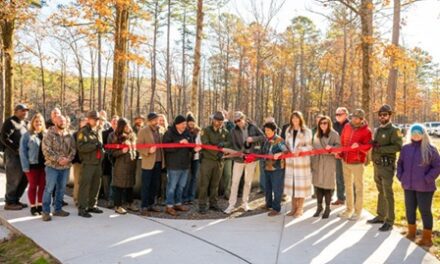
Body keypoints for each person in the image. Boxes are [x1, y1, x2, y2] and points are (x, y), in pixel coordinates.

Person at [397, 124, 440, 247]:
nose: (416, 135)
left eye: (419, 133)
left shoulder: (431, 149)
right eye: (414, 133)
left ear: (423, 134)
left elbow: (437, 167)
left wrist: (427, 179)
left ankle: (427, 238)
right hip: (408, 186)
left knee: (425, 211)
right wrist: (401, 177)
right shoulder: (406, 148)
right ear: (410, 134)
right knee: (409, 209)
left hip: (425, 187)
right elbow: (400, 164)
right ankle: (411, 233)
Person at [367, 105, 403, 231]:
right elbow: (376, 145)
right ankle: (381, 215)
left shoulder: (394, 130)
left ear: (389, 115)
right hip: (377, 165)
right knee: (380, 191)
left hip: (387, 165)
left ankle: (390, 220)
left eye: (385, 115)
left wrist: (381, 149)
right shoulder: (378, 130)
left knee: (388, 192)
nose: (382, 117)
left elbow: (398, 146)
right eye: (380, 115)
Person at [224, 111, 264, 214]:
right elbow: (232, 144)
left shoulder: (253, 127)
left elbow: (263, 137)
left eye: (239, 120)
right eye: (235, 121)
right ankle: (231, 205)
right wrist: (237, 152)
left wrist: (253, 139)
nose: (238, 122)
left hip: (251, 159)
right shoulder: (233, 131)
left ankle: (245, 203)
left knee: (248, 182)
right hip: (239, 159)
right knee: (235, 182)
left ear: (244, 118)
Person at [338, 109, 372, 221]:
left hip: (357, 162)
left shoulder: (367, 131)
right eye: (353, 117)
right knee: (347, 187)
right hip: (345, 160)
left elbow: (368, 146)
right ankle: (349, 210)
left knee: (358, 188)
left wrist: (359, 145)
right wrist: (341, 153)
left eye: (356, 118)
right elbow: (342, 140)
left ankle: (358, 212)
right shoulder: (347, 126)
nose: (353, 119)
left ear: (361, 119)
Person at [162, 115, 200, 216]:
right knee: (172, 187)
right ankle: (169, 205)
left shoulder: (187, 133)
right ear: (177, 124)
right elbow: (166, 148)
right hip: (173, 165)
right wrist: (179, 143)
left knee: (181, 186)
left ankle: (178, 203)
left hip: (185, 165)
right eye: (183, 124)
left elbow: (190, 147)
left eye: (185, 124)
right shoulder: (169, 133)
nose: (185, 125)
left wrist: (194, 149)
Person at [41, 115, 76, 221]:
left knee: (61, 189)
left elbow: (73, 150)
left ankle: (58, 209)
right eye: (60, 120)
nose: (62, 122)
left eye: (64, 121)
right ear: (55, 121)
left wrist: (67, 159)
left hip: (65, 167)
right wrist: (59, 159)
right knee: (49, 189)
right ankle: (46, 212)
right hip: (52, 166)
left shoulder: (69, 134)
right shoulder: (49, 134)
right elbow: (46, 150)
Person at [198, 111, 230, 214]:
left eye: (221, 121)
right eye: (217, 121)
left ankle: (213, 203)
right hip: (207, 161)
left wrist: (223, 144)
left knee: (215, 184)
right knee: (204, 184)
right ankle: (202, 205)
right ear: (213, 120)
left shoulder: (225, 132)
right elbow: (206, 144)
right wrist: (218, 152)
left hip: (219, 162)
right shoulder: (205, 130)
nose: (219, 123)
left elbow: (229, 142)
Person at [284, 111, 313, 217]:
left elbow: (310, 147)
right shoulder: (288, 130)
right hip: (291, 162)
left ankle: (300, 209)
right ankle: (293, 208)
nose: (295, 120)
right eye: (293, 118)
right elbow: (286, 144)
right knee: (293, 186)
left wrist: (301, 149)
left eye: (297, 118)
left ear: (301, 119)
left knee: (300, 187)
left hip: (301, 162)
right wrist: (285, 150)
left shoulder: (307, 131)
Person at [1, 103, 30, 210]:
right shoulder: (10, 122)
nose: (25, 112)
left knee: (24, 179)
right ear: (16, 111)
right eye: (23, 110)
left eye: (26, 111)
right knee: (14, 179)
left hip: (24, 156)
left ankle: (16, 200)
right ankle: (9, 202)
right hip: (13, 156)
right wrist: (16, 149)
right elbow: (4, 138)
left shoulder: (24, 123)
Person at [311, 116, 340, 219]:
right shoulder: (316, 134)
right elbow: (313, 148)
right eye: (321, 123)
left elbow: (339, 147)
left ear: (329, 123)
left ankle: (327, 208)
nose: (323, 125)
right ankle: (319, 207)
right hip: (318, 162)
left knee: (327, 187)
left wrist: (332, 148)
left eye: (325, 123)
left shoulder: (334, 134)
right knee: (318, 187)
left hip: (328, 162)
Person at [76, 110, 105, 218]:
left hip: (97, 162)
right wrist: (94, 146)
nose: (97, 121)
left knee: (96, 185)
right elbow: (80, 147)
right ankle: (82, 208)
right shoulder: (83, 132)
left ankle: (92, 205)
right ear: (89, 119)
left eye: (98, 119)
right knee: (85, 186)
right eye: (95, 119)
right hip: (88, 163)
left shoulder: (98, 131)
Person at [108, 118, 139, 214]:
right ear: (121, 127)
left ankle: (130, 203)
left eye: (128, 125)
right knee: (119, 186)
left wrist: (136, 155)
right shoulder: (114, 137)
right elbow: (111, 153)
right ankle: (118, 206)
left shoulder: (132, 136)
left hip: (131, 165)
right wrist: (122, 151)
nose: (128, 127)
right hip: (120, 166)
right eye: (125, 126)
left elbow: (135, 149)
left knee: (130, 185)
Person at [137, 112, 165, 216]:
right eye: (154, 120)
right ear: (149, 121)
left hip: (158, 162)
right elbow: (138, 146)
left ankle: (151, 205)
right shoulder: (143, 131)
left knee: (155, 185)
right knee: (146, 186)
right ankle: (144, 207)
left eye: (157, 120)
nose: (156, 122)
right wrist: (148, 150)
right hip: (148, 163)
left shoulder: (160, 130)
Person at [19, 113, 46, 215]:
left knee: (43, 186)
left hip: (44, 166)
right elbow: (22, 152)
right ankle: (33, 207)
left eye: (40, 122)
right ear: (32, 123)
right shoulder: (27, 135)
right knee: (33, 186)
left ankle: (40, 205)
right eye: (36, 121)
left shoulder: (46, 134)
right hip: (32, 165)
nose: (38, 123)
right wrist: (25, 167)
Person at [260, 122, 288, 216]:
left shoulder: (279, 140)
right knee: (267, 187)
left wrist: (279, 154)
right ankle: (268, 204)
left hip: (277, 168)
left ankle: (276, 208)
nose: (266, 132)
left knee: (277, 188)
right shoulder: (266, 140)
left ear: (274, 130)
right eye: (265, 130)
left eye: (268, 130)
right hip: (266, 167)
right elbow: (262, 152)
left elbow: (286, 152)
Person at [332, 107, 350, 205]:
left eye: (340, 114)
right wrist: (335, 152)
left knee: (348, 177)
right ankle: (340, 198)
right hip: (337, 155)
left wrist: (341, 153)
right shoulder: (334, 125)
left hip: (347, 155)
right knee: (339, 177)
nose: (337, 116)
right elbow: (332, 139)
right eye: (336, 114)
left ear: (346, 114)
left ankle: (350, 198)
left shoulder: (350, 125)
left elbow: (350, 141)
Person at [183, 113, 201, 205]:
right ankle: (185, 197)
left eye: (192, 122)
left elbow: (201, 143)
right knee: (187, 178)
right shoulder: (185, 131)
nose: (191, 124)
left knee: (194, 177)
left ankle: (191, 197)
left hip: (196, 158)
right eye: (189, 122)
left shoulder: (198, 131)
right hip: (187, 157)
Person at [101, 115, 118, 206]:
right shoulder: (105, 133)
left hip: (117, 159)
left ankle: (114, 197)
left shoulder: (121, 133)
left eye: (117, 122)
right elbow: (103, 145)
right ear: (111, 123)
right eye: (114, 122)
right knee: (107, 178)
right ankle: (107, 197)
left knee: (115, 179)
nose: (115, 123)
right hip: (107, 159)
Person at [71, 116, 88, 206]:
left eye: (86, 121)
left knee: (85, 181)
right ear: (80, 123)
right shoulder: (75, 134)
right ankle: (76, 199)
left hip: (87, 162)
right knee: (77, 181)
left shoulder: (89, 133)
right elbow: (73, 148)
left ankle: (84, 198)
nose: (85, 123)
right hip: (78, 161)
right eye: (83, 122)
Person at [157, 114, 169, 204]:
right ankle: (158, 197)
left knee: (165, 180)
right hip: (157, 159)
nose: (161, 122)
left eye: (163, 120)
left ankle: (164, 197)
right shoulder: (155, 132)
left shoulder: (168, 132)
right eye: (160, 120)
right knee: (157, 180)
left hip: (166, 160)